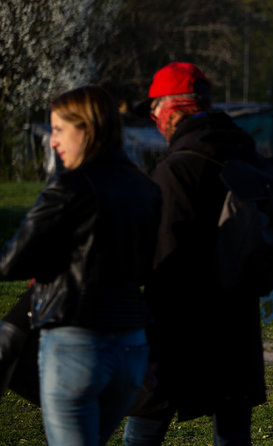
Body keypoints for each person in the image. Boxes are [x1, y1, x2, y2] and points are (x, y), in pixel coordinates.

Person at [0, 85, 162, 445]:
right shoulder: (145, 188)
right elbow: (153, 268)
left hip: (77, 344)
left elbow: (12, 262)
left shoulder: (70, 185)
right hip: (131, 349)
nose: (53, 142)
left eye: (59, 130)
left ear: (86, 129)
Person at [123, 62, 266, 446]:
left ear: (174, 108)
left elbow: (166, 263)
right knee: (233, 433)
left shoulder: (178, 169)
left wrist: (149, 344)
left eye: (154, 109)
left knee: (142, 429)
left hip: (180, 329)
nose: (153, 119)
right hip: (237, 324)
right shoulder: (245, 154)